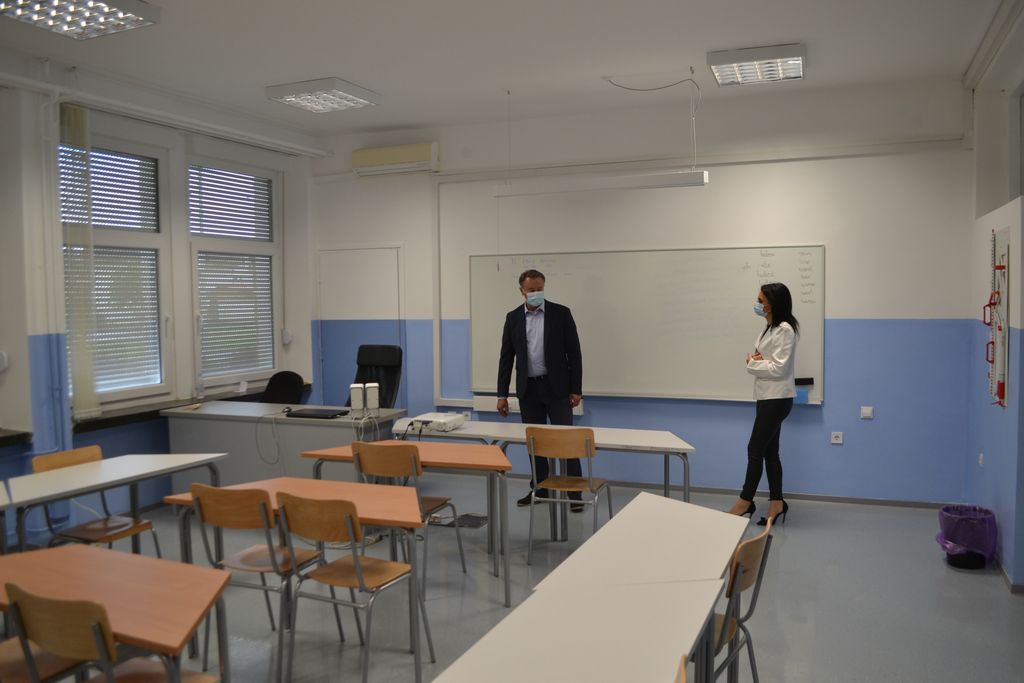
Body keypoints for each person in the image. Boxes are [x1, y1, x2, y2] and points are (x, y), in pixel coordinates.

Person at [496, 269, 584, 511]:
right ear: (522, 291)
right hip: (529, 390)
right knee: (535, 444)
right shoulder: (513, 318)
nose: (536, 293)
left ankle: (574, 493)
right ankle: (540, 487)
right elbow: (506, 358)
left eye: (539, 289)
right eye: (531, 290)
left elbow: (574, 353)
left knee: (566, 441)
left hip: (557, 389)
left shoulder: (561, 313)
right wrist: (502, 394)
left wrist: (576, 389)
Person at [728, 282, 798, 526]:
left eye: (761, 300)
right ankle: (777, 503)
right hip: (767, 397)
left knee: (755, 449)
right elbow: (769, 360)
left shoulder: (785, 330)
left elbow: (779, 368)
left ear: (773, 304)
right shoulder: (769, 328)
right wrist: (759, 359)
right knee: (769, 452)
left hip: (777, 399)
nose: (757, 304)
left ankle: (745, 501)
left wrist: (752, 363)